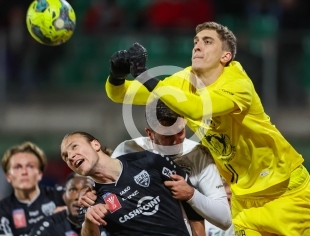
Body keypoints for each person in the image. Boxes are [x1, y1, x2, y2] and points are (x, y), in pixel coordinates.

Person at [105, 21, 310, 235]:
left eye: (207, 42)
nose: (197, 46)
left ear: (225, 56)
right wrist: (116, 75)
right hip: (243, 202)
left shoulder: (237, 83)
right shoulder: (182, 81)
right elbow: (121, 94)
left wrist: (145, 76)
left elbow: (198, 108)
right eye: (196, 41)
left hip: (285, 193)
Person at [81, 99, 232, 232]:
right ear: (150, 134)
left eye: (180, 132)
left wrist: (192, 194)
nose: (176, 140)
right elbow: (107, 189)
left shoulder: (197, 154)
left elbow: (224, 219)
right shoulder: (127, 150)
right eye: (167, 136)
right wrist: (91, 191)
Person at [60, 131, 203, 236]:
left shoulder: (149, 160)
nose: (71, 156)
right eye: (65, 156)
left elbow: (190, 202)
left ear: (95, 144)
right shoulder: (89, 202)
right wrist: (90, 221)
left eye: (74, 147)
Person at [0, 141, 66, 236]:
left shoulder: (58, 196)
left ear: (40, 174)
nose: (24, 172)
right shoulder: (2, 209)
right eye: (17, 167)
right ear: (8, 176)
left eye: (30, 166)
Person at [29, 173, 109, 236]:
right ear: (64, 197)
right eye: (73, 190)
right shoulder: (49, 226)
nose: (78, 197)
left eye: (87, 190)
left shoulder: (110, 220)